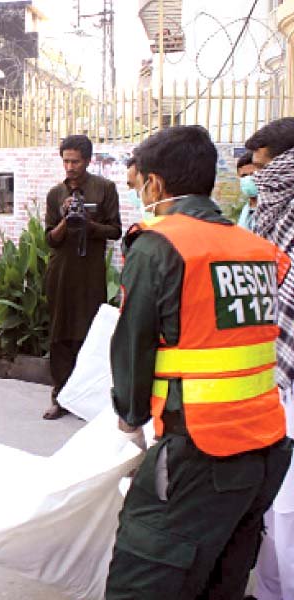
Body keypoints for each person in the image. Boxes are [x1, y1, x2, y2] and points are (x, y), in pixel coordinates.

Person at [106, 125, 293, 599]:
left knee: (144, 574)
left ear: (155, 185)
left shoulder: (160, 245)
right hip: (265, 447)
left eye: (138, 184)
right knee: (220, 579)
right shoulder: (258, 250)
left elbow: (133, 344)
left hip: (200, 449)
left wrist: (129, 422)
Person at [244, 117, 294, 600]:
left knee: (287, 505)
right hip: (279, 374)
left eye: (265, 169)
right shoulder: (275, 216)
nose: (260, 181)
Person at [44, 134, 122, 420]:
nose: (70, 167)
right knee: (59, 336)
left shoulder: (104, 189)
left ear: (87, 161)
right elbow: (50, 238)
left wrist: (89, 225)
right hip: (61, 272)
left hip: (90, 272)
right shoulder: (55, 194)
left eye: (75, 161)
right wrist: (67, 220)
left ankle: (85, 400)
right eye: (66, 161)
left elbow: (115, 230)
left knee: (89, 335)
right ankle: (60, 397)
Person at [236, 151, 259, 231]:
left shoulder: (273, 210)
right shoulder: (246, 210)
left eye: (252, 174)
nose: (248, 179)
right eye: (244, 176)